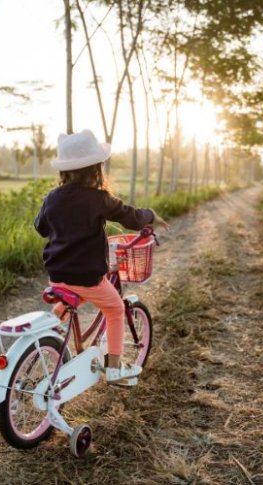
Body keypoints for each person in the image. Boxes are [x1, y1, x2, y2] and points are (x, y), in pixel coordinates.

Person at [34, 129, 169, 384]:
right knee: (115, 308)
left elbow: (40, 227)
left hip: (57, 275)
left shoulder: (52, 197)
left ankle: (49, 332)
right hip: (86, 276)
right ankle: (115, 369)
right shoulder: (99, 199)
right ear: (96, 168)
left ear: (64, 170)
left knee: (72, 298)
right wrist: (150, 215)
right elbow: (131, 217)